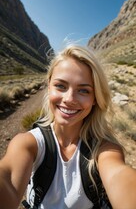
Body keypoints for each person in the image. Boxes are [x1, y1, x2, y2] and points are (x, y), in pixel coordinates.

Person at [0, 44, 136, 209]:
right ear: (49, 86)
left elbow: (118, 175)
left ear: (95, 98)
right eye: (61, 86)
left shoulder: (106, 150)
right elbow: (7, 179)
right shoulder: (27, 143)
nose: (69, 99)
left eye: (84, 91)